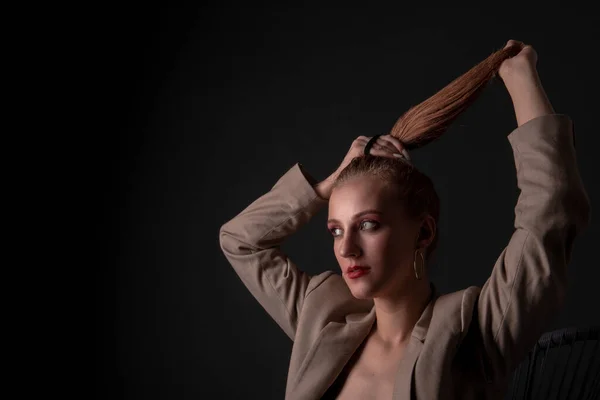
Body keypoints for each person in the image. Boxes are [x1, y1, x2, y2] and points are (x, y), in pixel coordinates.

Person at [218, 40, 591, 399]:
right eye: (335, 230)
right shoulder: (322, 317)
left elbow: (551, 210)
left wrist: (520, 75)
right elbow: (241, 241)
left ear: (424, 232)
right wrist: (331, 182)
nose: (346, 249)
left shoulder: (474, 333)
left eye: (368, 224)